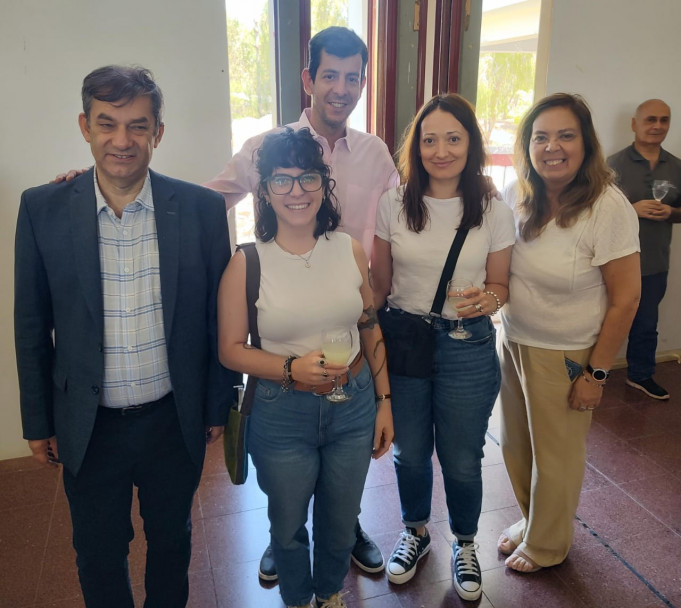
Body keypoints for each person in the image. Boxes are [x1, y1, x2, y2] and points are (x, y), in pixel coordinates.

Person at [14, 66, 236, 607]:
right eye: (107, 123)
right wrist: (38, 419)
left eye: (138, 126)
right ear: (84, 126)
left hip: (171, 419)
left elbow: (218, 321)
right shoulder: (42, 209)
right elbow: (30, 322)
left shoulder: (203, 212)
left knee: (172, 544)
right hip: (88, 428)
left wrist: (216, 406)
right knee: (96, 553)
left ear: (158, 132)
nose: (122, 141)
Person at [206, 25, 398, 578]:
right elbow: (206, 199)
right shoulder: (272, 148)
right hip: (285, 324)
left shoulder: (374, 152)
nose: (342, 88)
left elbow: (397, 218)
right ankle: (283, 535)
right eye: (330, 75)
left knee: (344, 469)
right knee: (286, 474)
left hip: (349, 313)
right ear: (309, 78)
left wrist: (379, 291)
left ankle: (347, 527)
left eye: (353, 77)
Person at [371, 94, 515, 601]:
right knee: (410, 455)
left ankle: (465, 542)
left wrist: (489, 298)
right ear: (416, 147)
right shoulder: (393, 203)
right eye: (429, 139)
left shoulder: (493, 207)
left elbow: (503, 285)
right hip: (406, 343)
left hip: (466, 346)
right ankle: (414, 531)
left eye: (453, 138)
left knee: (460, 458)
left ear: (470, 143)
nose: (441, 150)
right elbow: (379, 287)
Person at [497, 93, 641, 574]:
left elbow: (626, 298)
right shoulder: (521, 196)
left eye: (565, 135)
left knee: (555, 457)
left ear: (586, 143)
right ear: (528, 146)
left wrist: (596, 374)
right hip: (514, 340)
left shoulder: (607, 206)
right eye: (541, 137)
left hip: (566, 353)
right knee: (517, 445)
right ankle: (532, 521)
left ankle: (547, 545)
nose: (552, 147)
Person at [607, 99, 681, 400]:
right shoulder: (612, 165)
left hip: (655, 262)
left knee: (647, 322)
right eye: (651, 119)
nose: (658, 126)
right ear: (634, 124)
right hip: (613, 260)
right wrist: (630, 210)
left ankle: (640, 375)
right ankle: (588, 372)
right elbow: (590, 211)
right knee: (600, 317)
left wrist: (672, 214)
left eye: (664, 120)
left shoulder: (676, 166)